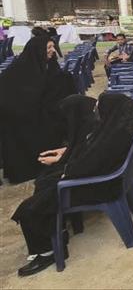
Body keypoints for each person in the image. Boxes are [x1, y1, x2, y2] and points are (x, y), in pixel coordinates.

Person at [11, 93, 133, 277]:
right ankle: (57, 233)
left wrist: (66, 171)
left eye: (99, 106)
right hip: (100, 181)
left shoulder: (109, 139)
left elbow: (90, 162)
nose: (95, 110)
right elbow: (89, 152)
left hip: (97, 187)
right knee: (44, 184)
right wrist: (66, 159)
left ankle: (47, 252)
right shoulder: (113, 131)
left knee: (31, 208)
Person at [0, 36, 77, 183]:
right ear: (38, 51)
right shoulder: (17, 70)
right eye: (49, 47)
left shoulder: (50, 67)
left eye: (53, 46)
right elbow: (11, 97)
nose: (53, 50)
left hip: (43, 116)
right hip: (22, 119)